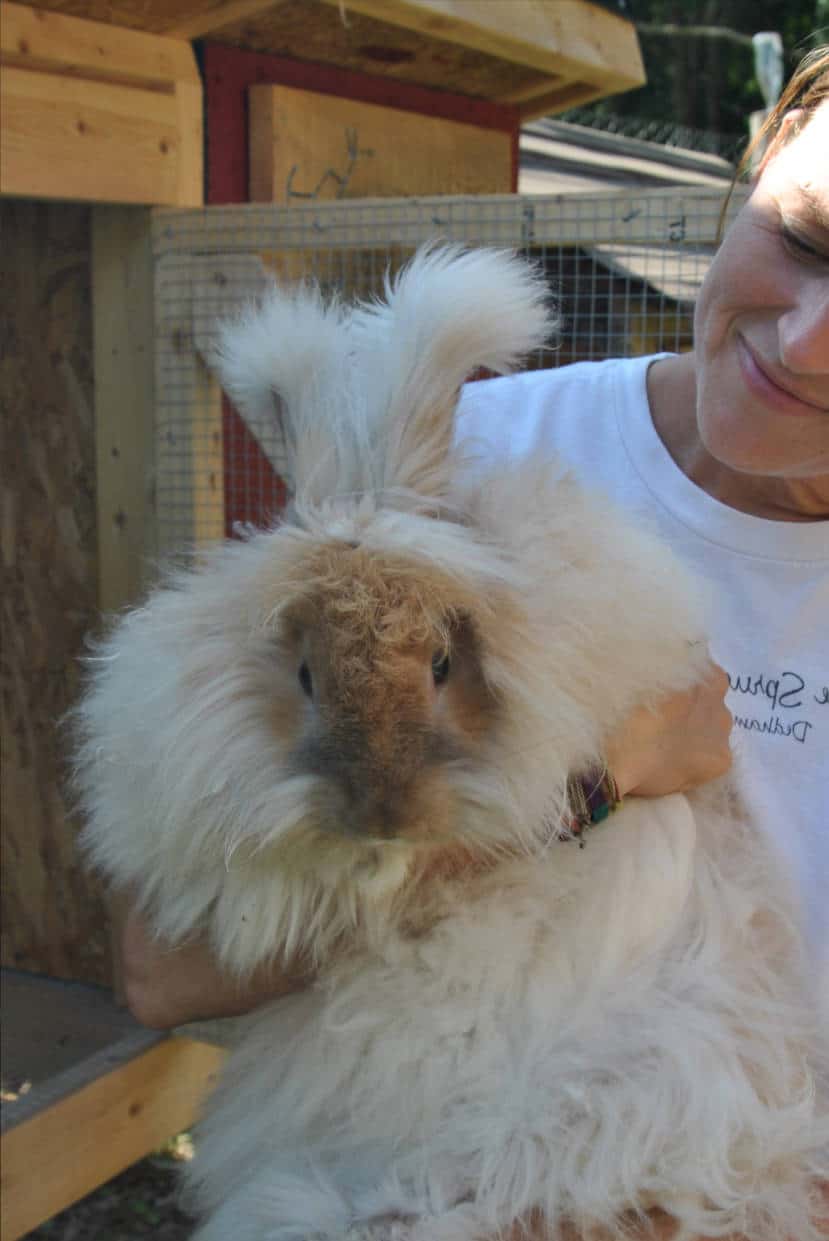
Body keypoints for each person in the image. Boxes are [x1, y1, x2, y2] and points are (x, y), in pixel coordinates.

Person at [116, 43, 828, 1239]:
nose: (804, 340)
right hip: (409, 1165)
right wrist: (594, 785)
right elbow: (165, 967)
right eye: (806, 236)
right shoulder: (466, 469)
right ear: (754, 166)